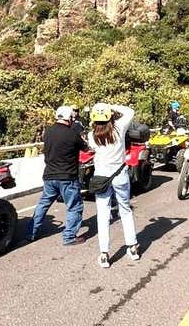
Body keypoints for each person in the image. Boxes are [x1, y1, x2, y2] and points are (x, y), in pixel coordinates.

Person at [87, 103, 140, 268]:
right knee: (125, 210)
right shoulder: (119, 128)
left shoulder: (91, 135)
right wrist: (110, 105)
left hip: (101, 178)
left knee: (103, 215)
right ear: (110, 116)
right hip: (120, 175)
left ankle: (104, 254)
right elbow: (130, 110)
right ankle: (132, 248)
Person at [27, 106, 86, 246]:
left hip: (49, 175)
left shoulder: (47, 132)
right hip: (67, 177)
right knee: (74, 206)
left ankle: (31, 233)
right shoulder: (72, 134)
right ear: (70, 118)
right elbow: (86, 148)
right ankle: (69, 237)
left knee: (43, 204)